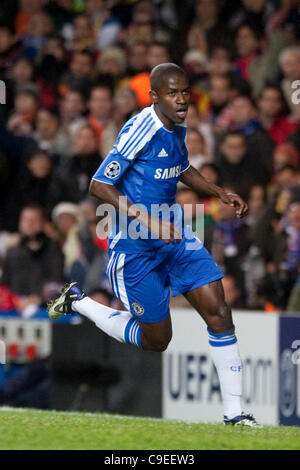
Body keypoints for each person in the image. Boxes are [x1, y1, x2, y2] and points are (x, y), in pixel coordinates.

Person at [47, 62, 259, 427]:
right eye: (173, 93)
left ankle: (235, 415)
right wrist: (147, 219)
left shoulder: (177, 124)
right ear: (155, 97)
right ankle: (79, 301)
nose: (181, 100)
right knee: (158, 339)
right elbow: (99, 185)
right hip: (134, 245)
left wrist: (218, 192)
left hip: (173, 232)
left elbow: (180, 167)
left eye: (185, 92)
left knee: (219, 311)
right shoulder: (139, 128)